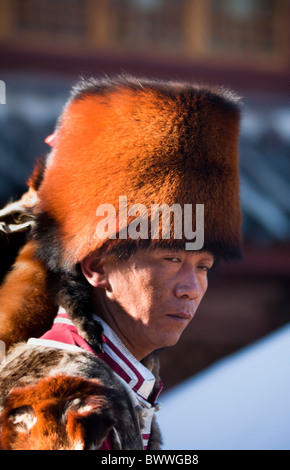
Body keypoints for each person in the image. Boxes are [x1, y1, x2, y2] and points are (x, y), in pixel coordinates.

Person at [0, 75, 242, 450]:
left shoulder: (122, 383)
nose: (191, 288)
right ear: (97, 266)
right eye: (170, 257)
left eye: (203, 266)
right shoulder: (60, 401)